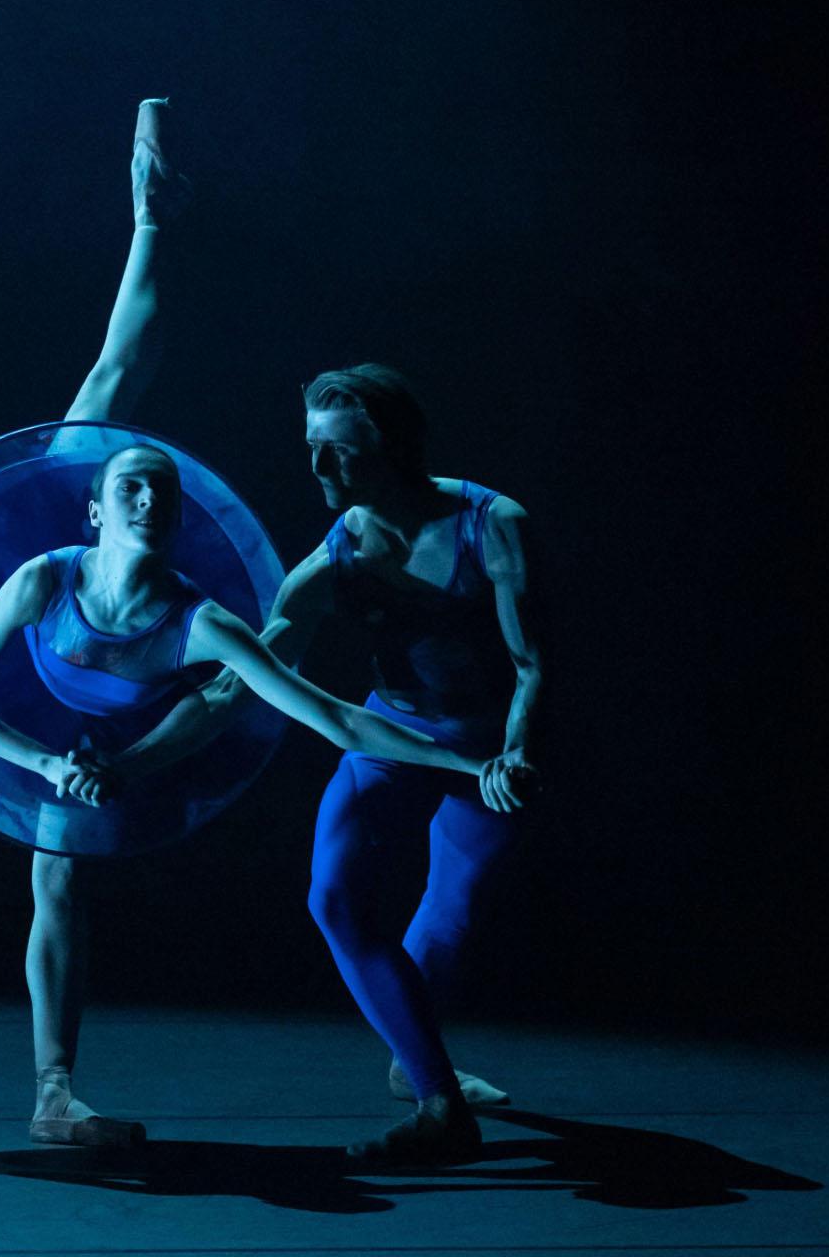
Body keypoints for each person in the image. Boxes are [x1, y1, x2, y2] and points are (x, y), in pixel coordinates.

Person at [0, 102, 523, 1149]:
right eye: (127, 484)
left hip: (156, 714)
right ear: (96, 507)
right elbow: (122, 358)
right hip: (39, 700)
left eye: (162, 486)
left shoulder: (202, 619)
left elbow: (326, 712)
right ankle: (54, 1090)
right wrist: (153, 224)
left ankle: (412, 1045)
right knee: (55, 863)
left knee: (411, 882)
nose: (147, 494)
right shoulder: (46, 562)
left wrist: (470, 761)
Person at [152, 365, 543, 1165]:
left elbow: (534, 665)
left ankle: (417, 1064)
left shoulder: (491, 523)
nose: (318, 469)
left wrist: (516, 752)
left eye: (339, 451)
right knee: (335, 899)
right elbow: (239, 685)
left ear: (393, 447)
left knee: (454, 906)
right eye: (310, 449)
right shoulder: (334, 561)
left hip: (484, 750)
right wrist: (130, 760)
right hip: (392, 738)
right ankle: (441, 1103)